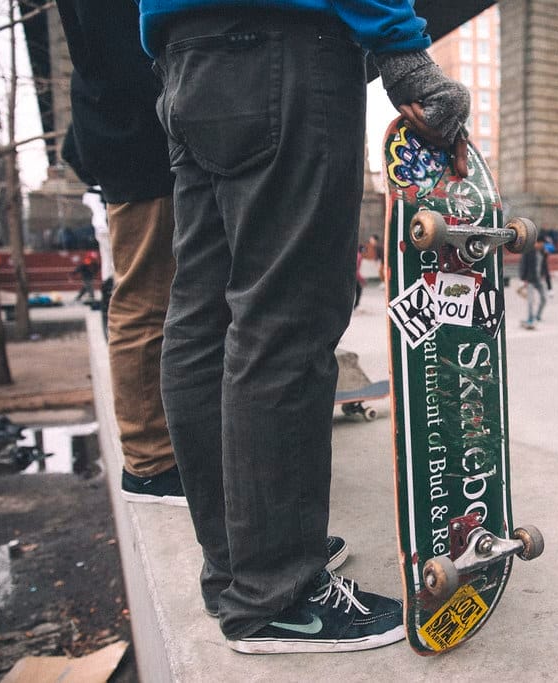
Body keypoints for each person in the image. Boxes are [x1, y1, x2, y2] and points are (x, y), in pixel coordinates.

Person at [140, 1, 470, 654]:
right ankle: (277, 594)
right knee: (286, 320)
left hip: (184, 56)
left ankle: (239, 564)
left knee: (203, 319)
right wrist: (405, 56)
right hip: (281, 51)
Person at [57, 0, 187, 505]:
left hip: (132, 131)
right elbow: (114, 50)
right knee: (146, 297)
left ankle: (161, 449)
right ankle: (149, 463)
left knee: (161, 295)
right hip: (139, 136)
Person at [519, 234, 549, 329]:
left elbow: (544, 265)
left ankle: (538, 316)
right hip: (530, 279)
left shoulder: (543, 252)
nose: (541, 245)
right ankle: (530, 318)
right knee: (531, 301)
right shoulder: (528, 251)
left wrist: (545, 276)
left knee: (544, 298)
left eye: (542, 244)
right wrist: (524, 279)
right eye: (540, 243)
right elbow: (523, 264)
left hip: (539, 279)